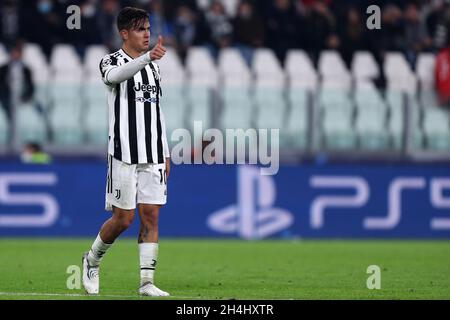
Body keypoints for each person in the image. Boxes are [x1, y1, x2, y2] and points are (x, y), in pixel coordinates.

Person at [82, 6, 170, 297]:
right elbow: (115, 77)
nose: (147, 34)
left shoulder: (155, 67)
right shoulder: (110, 61)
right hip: (123, 152)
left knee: (151, 216)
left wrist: (166, 150)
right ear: (124, 33)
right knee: (124, 219)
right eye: (140, 29)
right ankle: (92, 260)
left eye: (148, 28)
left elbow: (157, 111)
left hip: (153, 152)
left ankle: (146, 283)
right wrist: (147, 57)